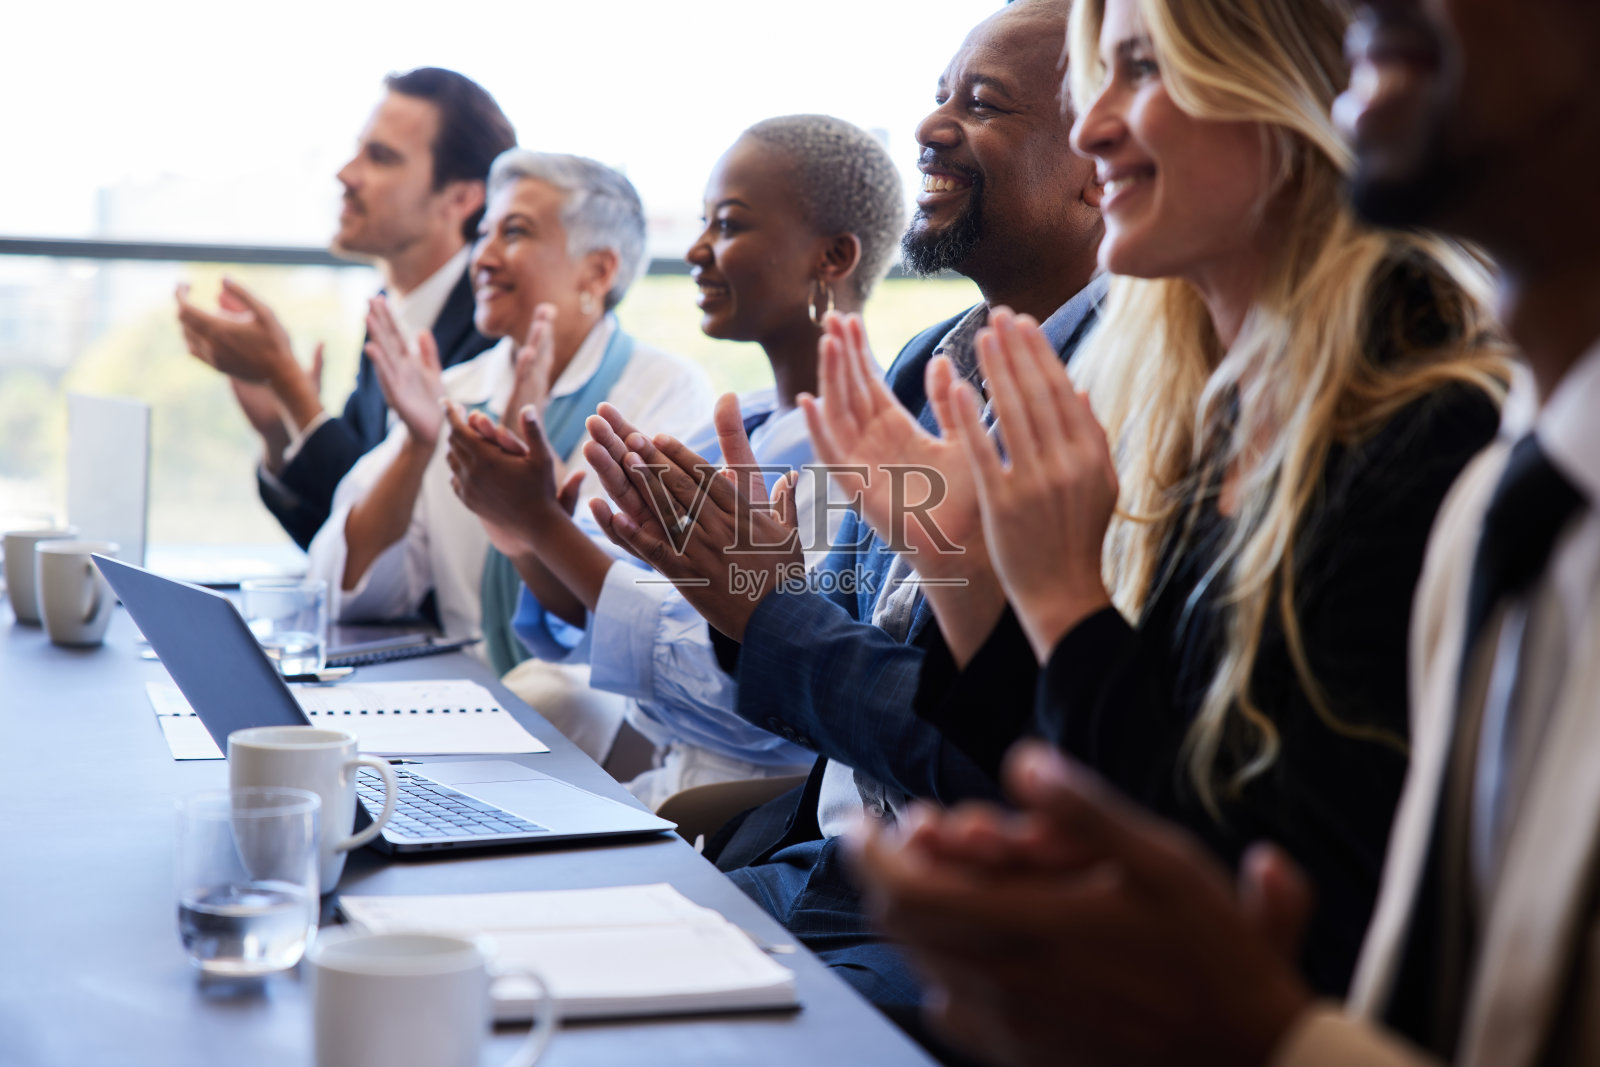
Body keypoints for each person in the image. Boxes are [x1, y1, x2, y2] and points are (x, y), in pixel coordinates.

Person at [854, 0, 1600, 1062]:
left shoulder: (1427, 430)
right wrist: (965, 569)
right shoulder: (1207, 411)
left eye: (1144, 70)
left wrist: (1063, 598)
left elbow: (1269, 903)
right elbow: (1078, 773)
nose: (1091, 129)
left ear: (1292, 89)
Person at [578, 0, 1106, 1015]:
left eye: (983, 103)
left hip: (936, 927)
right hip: (822, 867)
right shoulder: (922, 366)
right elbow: (848, 647)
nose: (930, 127)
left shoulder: (1121, 399)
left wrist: (769, 615)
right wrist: (753, 596)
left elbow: (982, 746)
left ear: (1101, 162)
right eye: (938, 95)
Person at [443, 115, 906, 805]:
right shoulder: (739, 420)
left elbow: (755, 703)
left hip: (740, 806)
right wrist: (521, 529)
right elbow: (591, 599)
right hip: (668, 778)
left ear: (832, 258)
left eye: (729, 224)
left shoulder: (864, 459)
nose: (696, 249)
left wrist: (544, 526)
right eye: (702, 222)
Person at [304, 150, 711, 654]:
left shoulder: (665, 392)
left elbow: (650, 609)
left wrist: (530, 493)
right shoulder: (451, 394)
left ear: (598, 271)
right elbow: (346, 596)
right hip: (465, 699)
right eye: (483, 234)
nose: (483, 258)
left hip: (596, 710)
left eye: (514, 233)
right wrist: (417, 445)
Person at [176, 68, 514, 550]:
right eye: (358, 150)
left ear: (460, 198)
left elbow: (399, 544)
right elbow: (334, 548)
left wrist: (289, 385)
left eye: (380, 157)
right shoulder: (391, 309)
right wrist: (277, 429)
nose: (345, 173)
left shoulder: (495, 330)